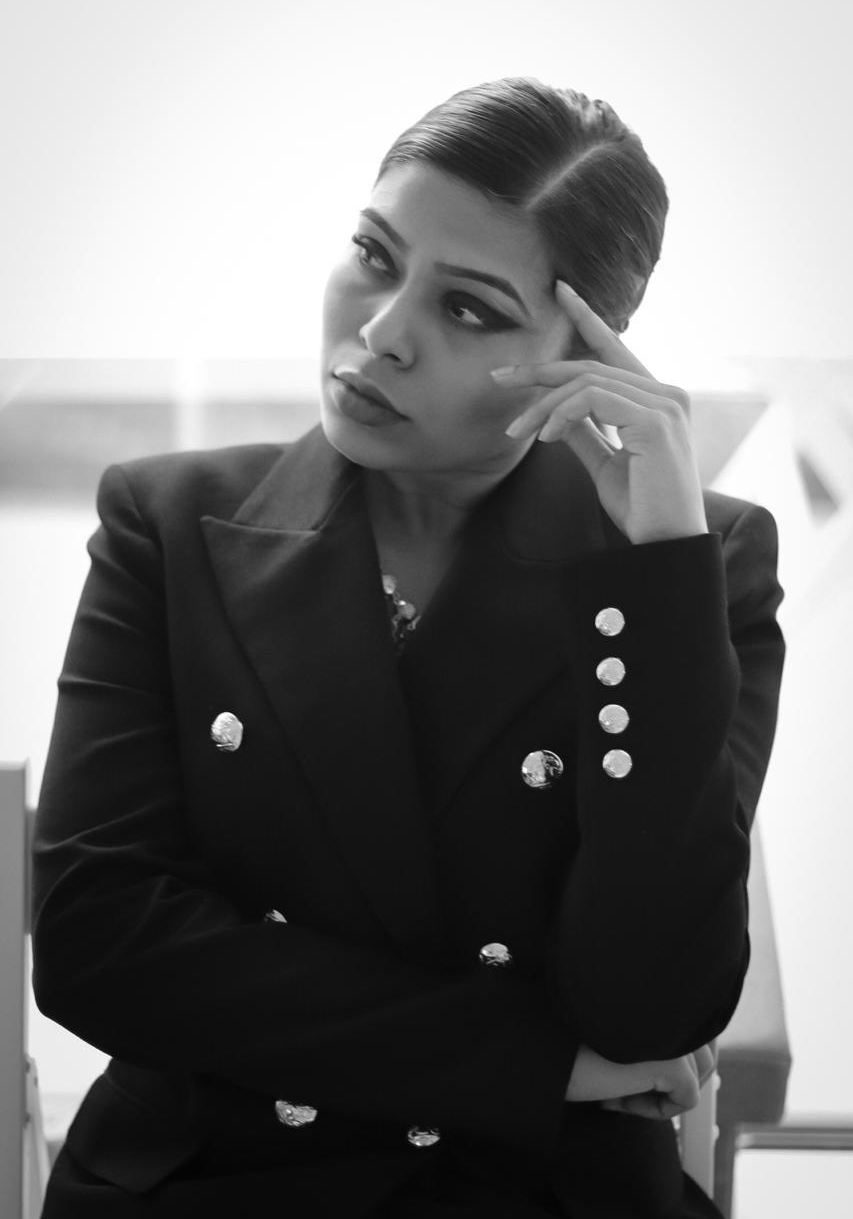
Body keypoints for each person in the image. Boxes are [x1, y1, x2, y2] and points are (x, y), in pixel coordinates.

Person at [32, 76, 785, 1218]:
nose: (382, 335)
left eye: (469, 310)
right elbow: (99, 945)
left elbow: (650, 1007)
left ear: (584, 351)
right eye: (373, 255)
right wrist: (532, 1064)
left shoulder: (688, 564)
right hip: (210, 1177)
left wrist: (658, 570)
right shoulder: (167, 521)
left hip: (534, 1194)